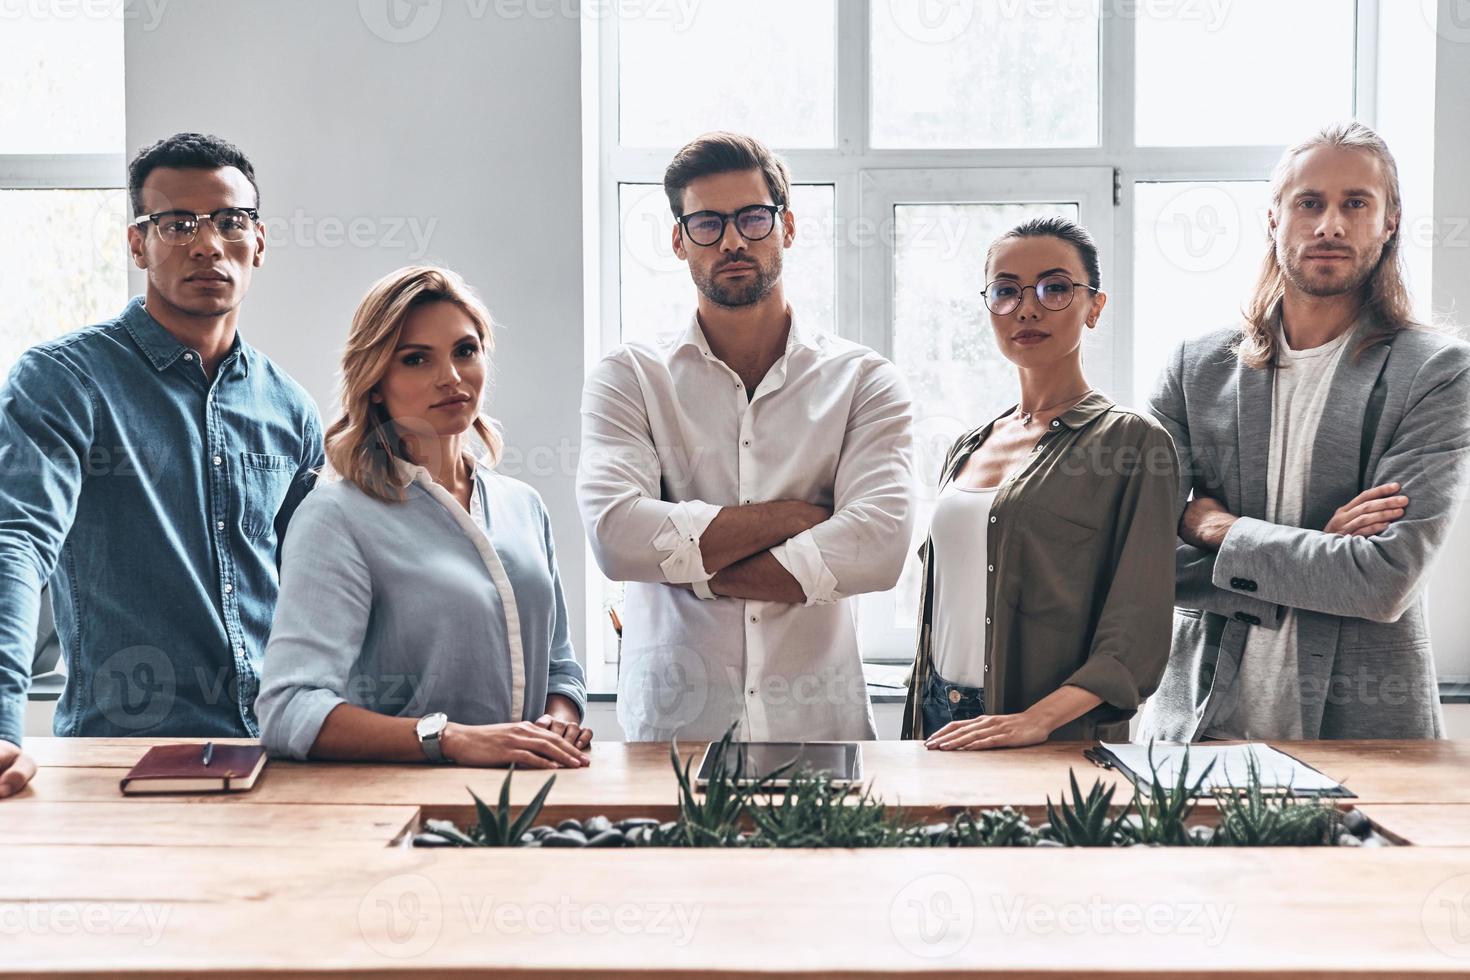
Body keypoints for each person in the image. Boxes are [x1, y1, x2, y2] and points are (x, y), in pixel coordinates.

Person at [0, 133, 322, 798]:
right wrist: (4, 726)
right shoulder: (63, 381)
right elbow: (17, 543)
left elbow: (320, 591)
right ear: (137, 244)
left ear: (258, 241)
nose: (207, 244)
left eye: (231, 222)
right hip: (121, 763)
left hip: (277, 755)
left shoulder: (290, 408)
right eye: (177, 224)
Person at [578, 132, 915, 742]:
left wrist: (689, 567)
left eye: (752, 218)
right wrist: (796, 516)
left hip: (821, 732)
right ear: (678, 240)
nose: (733, 240)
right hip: (670, 736)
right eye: (707, 222)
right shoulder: (628, 377)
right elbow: (616, 536)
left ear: (786, 227)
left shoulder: (864, 380)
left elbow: (880, 547)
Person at [1140, 121, 1470, 741]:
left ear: (1390, 221)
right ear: (1273, 218)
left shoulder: (1436, 372)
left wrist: (1218, 528)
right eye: (1309, 203)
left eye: (1356, 203)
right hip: (1200, 731)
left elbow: (1381, 581)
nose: (1330, 226)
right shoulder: (1195, 368)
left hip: (1365, 736)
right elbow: (1142, 563)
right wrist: (1319, 549)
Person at [256, 266, 589, 768]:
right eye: (416, 359)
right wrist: (451, 738)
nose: (451, 377)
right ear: (374, 383)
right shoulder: (335, 516)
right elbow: (289, 709)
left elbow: (560, 668)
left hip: (533, 797)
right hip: (397, 808)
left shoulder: (523, 505)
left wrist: (557, 722)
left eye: (465, 351)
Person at [902, 217, 1178, 747]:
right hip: (936, 713)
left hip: (1047, 729)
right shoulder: (968, 445)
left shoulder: (1132, 442)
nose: (1027, 308)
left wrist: (1038, 720)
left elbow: (1135, 636)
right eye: (1006, 291)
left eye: (1055, 288)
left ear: (1094, 306)